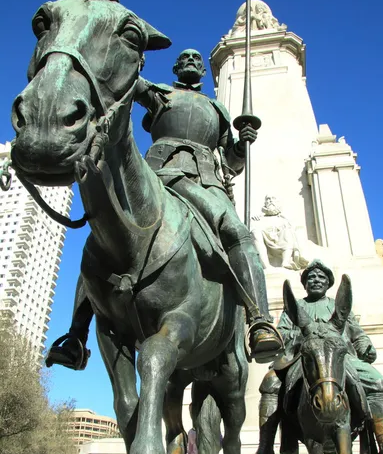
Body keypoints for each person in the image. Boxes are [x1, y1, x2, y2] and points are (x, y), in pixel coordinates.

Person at [45, 49, 283, 370]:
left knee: (237, 233)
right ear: (175, 67)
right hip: (154, 177)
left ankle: (259, 321)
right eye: (183, 58)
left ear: (203, 71)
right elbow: (127, 82)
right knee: (104, 238)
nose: (190, 61)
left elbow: (232, 163)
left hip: (203, 182)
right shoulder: (160, 94)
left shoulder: (218, 109)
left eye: (196, 60)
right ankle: (76, 336)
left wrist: (242, 144)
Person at [246, 259, 383, 454]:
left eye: (321, 277)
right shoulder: (297, 307)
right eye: (310, 277)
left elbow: (356, 332)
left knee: (378, 383)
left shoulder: (336, 306)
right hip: (303, 358)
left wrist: (365, 345)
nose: (316, 280)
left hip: (341, 358)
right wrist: (304, 335)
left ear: (328, 283)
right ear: (305, 284)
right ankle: (265, 448)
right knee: (270, 384)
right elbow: (282, 333)